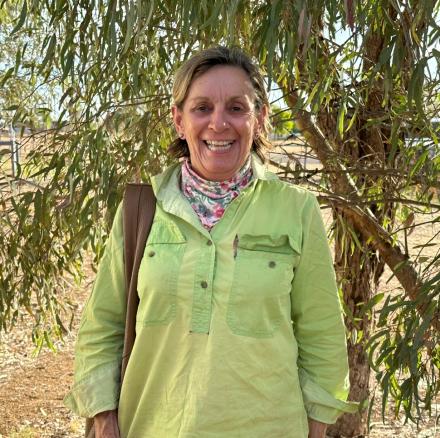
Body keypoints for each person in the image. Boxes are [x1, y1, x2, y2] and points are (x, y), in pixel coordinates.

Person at [65, 46, 357, 438]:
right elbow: (103, 324)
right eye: (202, 108)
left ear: (260, 118)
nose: (219, 123)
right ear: (178, 120)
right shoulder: (141, 209)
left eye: (236, 108)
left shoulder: (296, 209)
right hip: (153, 426)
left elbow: (321, 333)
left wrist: (317, 426)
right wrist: (103, 418)